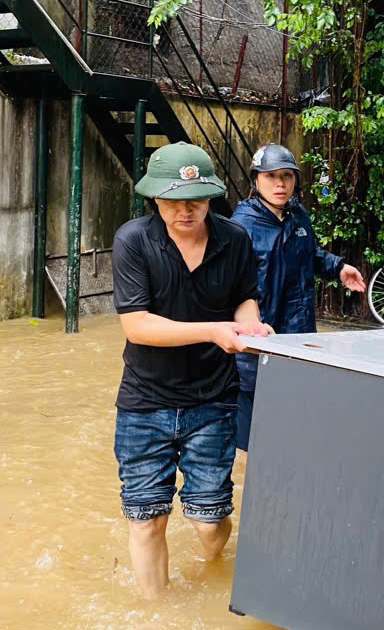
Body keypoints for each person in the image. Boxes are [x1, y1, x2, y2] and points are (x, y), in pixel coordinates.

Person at [111, 142, 273, 600]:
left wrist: (249, 326)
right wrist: (215, 331)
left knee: (208, 519)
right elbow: (138, 326)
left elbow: (244, 298)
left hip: (214, 400)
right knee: (147, 519)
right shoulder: (134, 241)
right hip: (145, 403)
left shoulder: (235, 239)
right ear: (156, 200)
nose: (186, 210)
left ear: (211, 198)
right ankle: (154, 613)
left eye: (197, 200)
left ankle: (212, 568)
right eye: (175, 201)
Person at [230, 144, 366, 451]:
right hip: (257, 341)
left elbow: (310, 255)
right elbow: (229, 287)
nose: (280, 184)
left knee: (291, 423)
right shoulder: (241, 225)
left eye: (287, 177)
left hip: (299, 336)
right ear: (256, 180)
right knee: (252, 437)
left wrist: (338, 267)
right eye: (272, 177)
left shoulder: (297, 216)